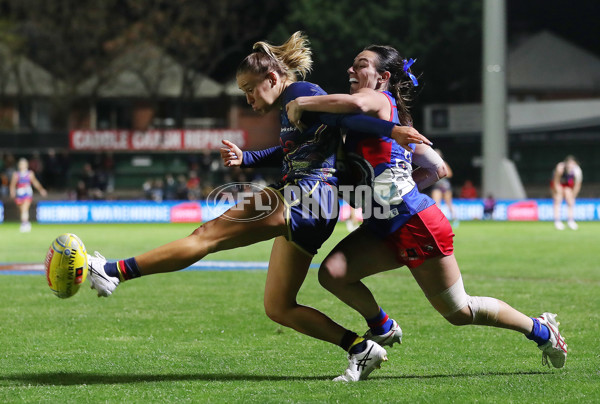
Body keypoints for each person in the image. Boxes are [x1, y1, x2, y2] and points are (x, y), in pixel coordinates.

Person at [84, 32, 431, 380]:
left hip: (306, 197)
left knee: (206, 235)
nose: (248, 98)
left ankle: (114, 272)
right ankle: (361, 348)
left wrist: (390, 130)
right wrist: (247, 156)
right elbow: (293, 147)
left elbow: (347, 120)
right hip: (316, 206)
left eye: (250, 88)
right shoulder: (293, 103)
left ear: (273, 78)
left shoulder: (300, 93)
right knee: (279, 307)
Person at [286, 44, 567, 380]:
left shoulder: (379, 100)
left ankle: (541, 330)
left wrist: (301, 102)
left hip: (414, 223)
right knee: (332, 274)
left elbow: (360, 103)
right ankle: (383, 327)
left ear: (383, 77)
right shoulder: (378, 122)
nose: (350, 70)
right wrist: (390, 189)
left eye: (360, 65)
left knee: (459, 311)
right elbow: (437, 168)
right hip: (383, 224)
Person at [9, 157, 47, 232]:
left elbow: (35, 182)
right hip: (19, 194)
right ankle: (26, 222)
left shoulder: (30, 174)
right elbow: (12, 185)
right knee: (21, 210)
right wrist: (12, 192)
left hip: (27, 193)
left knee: (24, 209)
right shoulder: (16, 174)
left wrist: (41, 190)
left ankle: (24, 224)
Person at [551, 155, 582, 230]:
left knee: (570, 201)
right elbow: (555, 180)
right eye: (569, 164)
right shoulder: (560, 168)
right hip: (558, 183)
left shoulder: (577, 171)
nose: (570, 166)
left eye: (572, 164)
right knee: (558, 200)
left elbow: (577, 185)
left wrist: (573, 195)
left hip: (568, 184)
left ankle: (570, 221)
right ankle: (557, 221)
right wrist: (557, 190)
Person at [429, 148, 458, 225]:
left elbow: (450, 174)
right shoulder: (430, 164)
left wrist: (441, 174)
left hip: (445, 186)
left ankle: (455, 219)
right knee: (436, 204)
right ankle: (438, 221)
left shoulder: (443, 163)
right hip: (437, 186)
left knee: (448, 203)